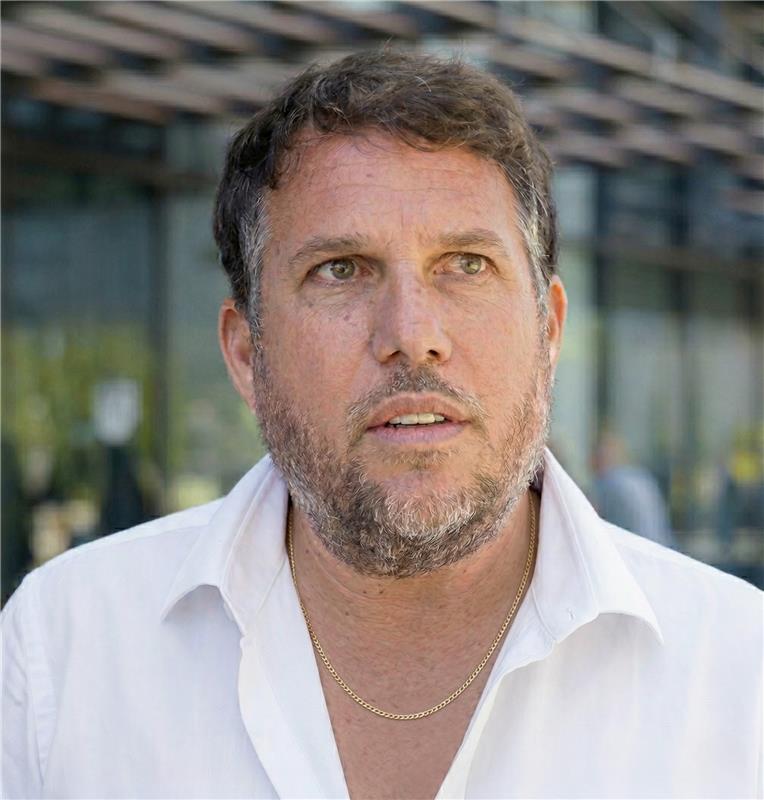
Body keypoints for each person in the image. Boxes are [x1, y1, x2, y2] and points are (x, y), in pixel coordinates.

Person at [2, 50, 761, 800]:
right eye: (340, 269)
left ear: (549, 331)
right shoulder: (64, 651)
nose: (412, 334)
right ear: (246, 355)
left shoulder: (738, 672)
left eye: (465, 264)